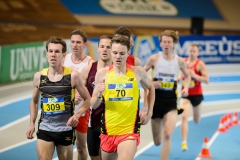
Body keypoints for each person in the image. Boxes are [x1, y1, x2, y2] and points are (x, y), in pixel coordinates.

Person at [26, 37, 91, 160]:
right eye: (50, 51)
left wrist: (77, 115)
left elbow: (87, 99)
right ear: (46, 54)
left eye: (57, 51)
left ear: (63, 55)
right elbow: (34, 101)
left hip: (65, 129)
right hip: (45, 128)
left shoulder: (73, 76)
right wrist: (31, 124)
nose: (53, 55)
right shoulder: (39, 77)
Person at [91, 35, 155, 160]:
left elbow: (151, 87)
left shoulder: (137, 72)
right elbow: (93, 104)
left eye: (122, 53)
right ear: (111, 52)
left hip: (129, 131)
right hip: (108, 130)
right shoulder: (102, 74)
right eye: (115, 53)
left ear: (128, 53)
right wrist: (98, 94)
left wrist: (149, 113)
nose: (118, 57)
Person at [143, 30, 191, 160]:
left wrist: (186, 88)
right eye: (164, 42)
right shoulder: (154, 59)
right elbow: (140, 74)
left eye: (169, 42)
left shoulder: (179, 61)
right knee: (157, 141)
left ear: (174, 44)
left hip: (171, 103)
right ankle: (158, 135)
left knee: (168, 135)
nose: (166, 44)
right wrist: (151, 82)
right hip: (156, 102)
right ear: (160, 43)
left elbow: (188, 76)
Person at [63, 29, 94, 160]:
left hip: (82, 110)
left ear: (85, 45)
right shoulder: (64, 59)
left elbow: (92, 85)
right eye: (73, 42)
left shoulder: (90, 63)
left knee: (81, 146)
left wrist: (80, 94)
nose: (75, 45)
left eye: (78, 42)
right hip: (64, 109)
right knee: (65, 145)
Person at [81, 35, 112, 160]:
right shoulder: (88, 69)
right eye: (102, 47)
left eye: (108, 47)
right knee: (94, 157)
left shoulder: (119, 71)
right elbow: (80, 90)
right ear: (97, 49)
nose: (105, 50)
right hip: (93, 121)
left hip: (112, 123)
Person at [180, 44, 209, 151]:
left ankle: (195, 118)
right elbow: (179, 75)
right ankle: (184, 143)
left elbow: (207, 80)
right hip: (185, 94)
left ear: (197, 53)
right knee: (184, 117)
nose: (192, 53)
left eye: (194, 51)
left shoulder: (200, 64)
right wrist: (180, 77)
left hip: (197, 95)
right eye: (190, 51)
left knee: (196, 120)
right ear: (188, 51)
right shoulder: (183, 62)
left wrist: (195, 75)